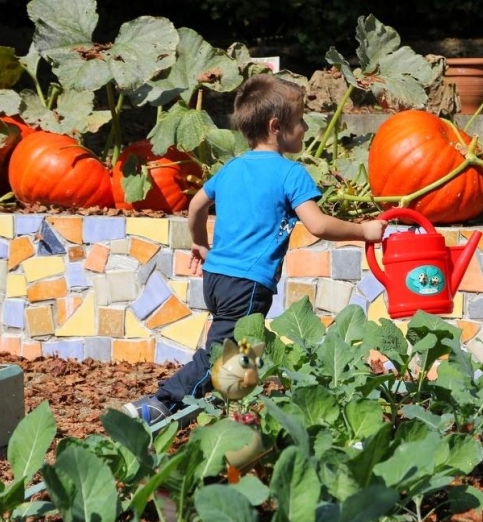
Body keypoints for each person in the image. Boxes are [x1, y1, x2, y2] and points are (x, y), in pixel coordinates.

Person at [123, 74, 387, 425]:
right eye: (301, 120)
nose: (307, 127)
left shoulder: (231, 168)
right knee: (223, 353)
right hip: (246, 283)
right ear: (277, 126)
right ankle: (159, 405)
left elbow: (196, 206)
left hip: (217, 277)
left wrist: (201, 243)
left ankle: (226, 414)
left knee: (247, 351)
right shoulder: (290, 174)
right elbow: (319, 225)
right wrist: (365, 230)